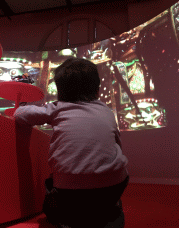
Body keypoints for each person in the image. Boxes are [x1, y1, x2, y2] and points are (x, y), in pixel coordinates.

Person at [13, 57, 129, 228]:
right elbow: (118, 146)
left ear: (60, 91)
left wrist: (22, 104)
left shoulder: (58, 108)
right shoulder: (107, 111)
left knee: (50, 200)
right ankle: (110, 211)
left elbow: (20, 115)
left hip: (70, 192)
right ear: (97, 89)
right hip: (114, 185)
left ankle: (68, 220)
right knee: (106, 202)